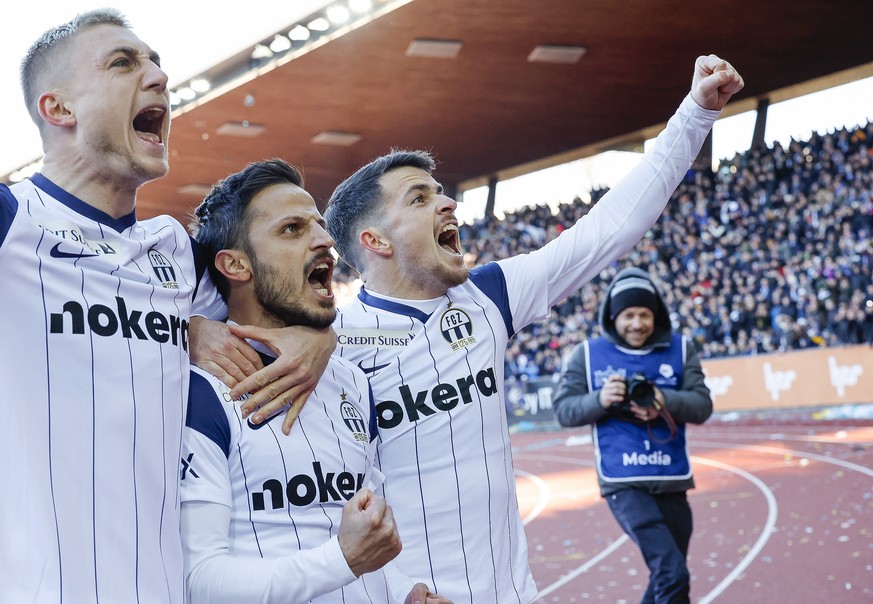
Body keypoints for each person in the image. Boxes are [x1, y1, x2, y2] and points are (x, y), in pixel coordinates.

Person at [300, 56, 741, 602]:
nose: (447, 202)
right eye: (420, 198)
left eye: (439, 190)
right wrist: (396, 590)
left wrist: (695, 114)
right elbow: (318, 503)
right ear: (376, 242)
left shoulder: (489, 296)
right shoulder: (330, 349)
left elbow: (610, 229)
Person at [1, 10, 330, 602]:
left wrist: (316, 339)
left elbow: (282, 296)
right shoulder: (12, 224)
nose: (157, 76)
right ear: (59, 109)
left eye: (156, 63)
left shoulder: (173, 249)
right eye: (123, 63)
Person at [183, 158, 449, 603]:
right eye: (292, 229)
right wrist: (342, 559)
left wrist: (403, 593)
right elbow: (200, 580)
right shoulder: (200, 392)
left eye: (320, 225)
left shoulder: (351, 382)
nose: (326, 241)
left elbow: (361, 533)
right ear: (236, 265)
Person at [552, 268, 714, 604]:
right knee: (672, 572)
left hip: (671, 477)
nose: (637, 323)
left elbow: (702, 406)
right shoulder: (588, 354)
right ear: (613, 316)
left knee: (667, 575)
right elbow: (564, 410)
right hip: (623, 481)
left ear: (656, 315)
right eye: (628, 315)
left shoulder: (681, 351)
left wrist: (663, 400)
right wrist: (600, 399)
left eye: (645, 314)